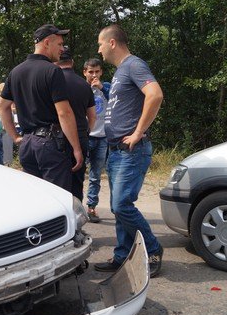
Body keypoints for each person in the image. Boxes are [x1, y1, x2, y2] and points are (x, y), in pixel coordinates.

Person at [94, 24, 164, 277]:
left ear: (112, 42)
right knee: (118, 207)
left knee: (122, 205)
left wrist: (138, 132)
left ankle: (153, 249)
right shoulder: (121, 71)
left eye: (100, 44)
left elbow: (155, 95)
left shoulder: (134, 65)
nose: (99, 50)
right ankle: (122, 255)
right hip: (116, 151)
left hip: (131, 150)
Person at [0, 24, 83, 192]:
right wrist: (76, 148)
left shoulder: (16, 72)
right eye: (59, 44)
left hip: (27, 144)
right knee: (58, 196)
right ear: (47, 43)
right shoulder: (53, 71)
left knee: (37, 196)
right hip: (50, 144)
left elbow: (2, 106)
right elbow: (64, 113)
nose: (62, 49)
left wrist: (15, 137)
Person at [56, 47, 96, 201]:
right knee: (77, 181)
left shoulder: (52, 82)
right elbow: (92, 116)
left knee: (57, 181)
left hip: (56, 137)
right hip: (80, 137)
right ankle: (77, 211)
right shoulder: (84, 85)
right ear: (72, 62)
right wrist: (87, 132)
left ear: (56, 62)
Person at [82, 58, 111, 223]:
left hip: (102, 137)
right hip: (85, 136)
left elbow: (117, 100)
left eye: (97, 71)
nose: (94, 75)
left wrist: (101, 87)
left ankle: (91, 207)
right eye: (90, 72)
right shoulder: (81, 88)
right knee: (78, 172)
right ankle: (75, 206)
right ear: (84, 72)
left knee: (95, 175)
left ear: (101, 72)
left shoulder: (106, 87)